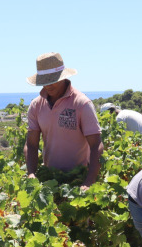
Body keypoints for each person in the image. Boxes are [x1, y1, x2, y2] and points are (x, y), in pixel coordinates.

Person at [24, 52, 103, 190]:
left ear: (63, 77)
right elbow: (31, 144)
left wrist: (88, 182)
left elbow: (96, 145)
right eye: (44, 80)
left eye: (52, 79)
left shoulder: (82, 104)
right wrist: (31, 173)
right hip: (50, 179)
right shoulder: (36, 106)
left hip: (79, 178)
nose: (48, 85)